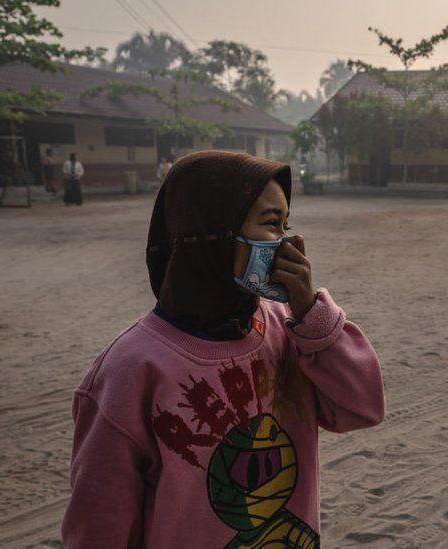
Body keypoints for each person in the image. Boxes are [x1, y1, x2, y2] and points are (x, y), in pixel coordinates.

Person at [62, 151, 385, 547]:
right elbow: (99, 529)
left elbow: (362, 407)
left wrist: (311, 315)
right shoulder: (130, 370)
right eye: (270, 225)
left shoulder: (290, 328)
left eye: (286, 225)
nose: (287, 245)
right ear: (212, 230)